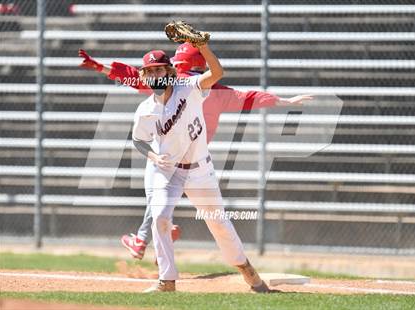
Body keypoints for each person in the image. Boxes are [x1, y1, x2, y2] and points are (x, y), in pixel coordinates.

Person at [79, 45, 312, 260]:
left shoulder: (175, 83)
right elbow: (249, 98)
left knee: (158, 195)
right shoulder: (213, 89)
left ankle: (145, 238)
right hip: (196, 159)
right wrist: (285, 101)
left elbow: (132, 76)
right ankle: (160, 232)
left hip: (166, 154)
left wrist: (101, 66)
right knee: (198, 212)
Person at [129, 42, 273, 293]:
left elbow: (217, 74)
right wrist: (152, 156)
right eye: (149, 71)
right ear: (144, 76)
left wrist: (203, 48)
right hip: (168, 171)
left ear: (170, 72)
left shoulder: (189, 88)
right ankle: (167, 280)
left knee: (218, 222)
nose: (154, 76)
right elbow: (138, 140)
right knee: (160, 217)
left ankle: (246, 269)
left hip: (199, 171)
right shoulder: (145, 110)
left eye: (159, 70)